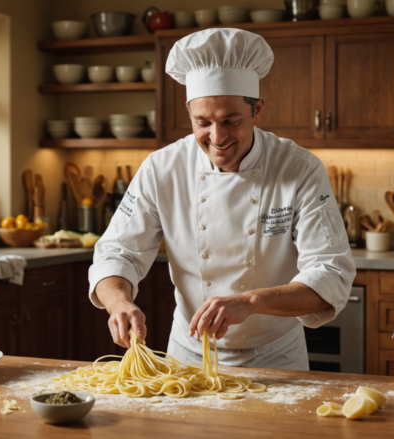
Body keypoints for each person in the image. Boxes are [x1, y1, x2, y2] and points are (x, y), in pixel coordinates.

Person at [88, 28, 356, 370]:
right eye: (202, 122)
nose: (217, 138)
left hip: (276, 357)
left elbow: (332, 272)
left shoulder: (299, 168)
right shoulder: (162, 168)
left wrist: (251, 301)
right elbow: (117, 251)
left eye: (231, 121)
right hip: (187, 356)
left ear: (258, 110)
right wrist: (119, 301)